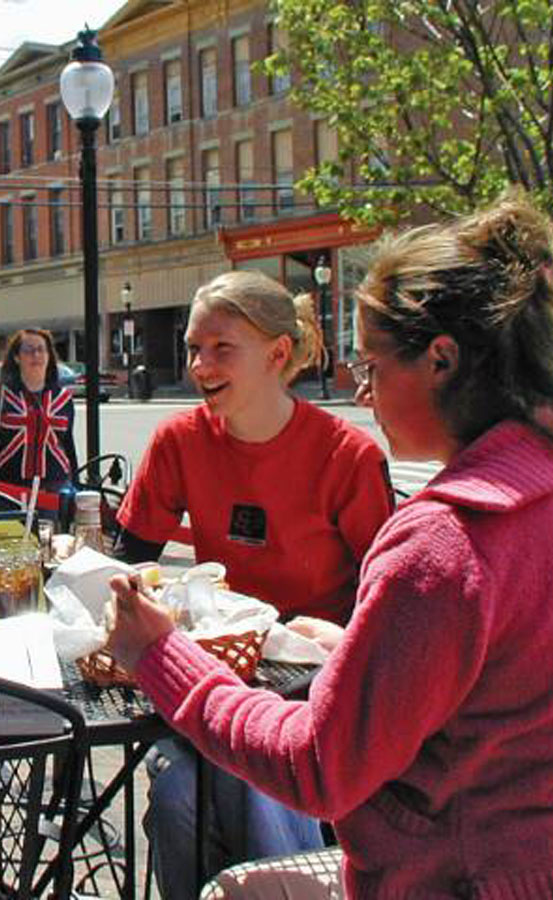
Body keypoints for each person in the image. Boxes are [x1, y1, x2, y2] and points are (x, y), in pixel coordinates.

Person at [107, 192, 553, 898]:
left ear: (442, 359)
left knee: (229, 879)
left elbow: (314, 767)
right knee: (190, 796)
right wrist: (355, 649)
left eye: (373, 366)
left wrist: (160, 655)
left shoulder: (447, 541)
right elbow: (503, 682)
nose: (365, 394)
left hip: (445, 878)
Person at [115, 270, 395, 900]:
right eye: (193, 348)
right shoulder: (179, 440)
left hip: (315, 695)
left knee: (248, 783)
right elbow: (129, 561)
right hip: (216, 673)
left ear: (278, 354)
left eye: (221, 348)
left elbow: (384, 606)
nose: (199, 365)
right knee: (177, 791)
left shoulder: (345, 455)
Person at [0, 328, 79, 505]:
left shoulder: (63, 399)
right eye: (28, 350)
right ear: (16, 358)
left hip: (53, 491)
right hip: (9, 491)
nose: (36, 355)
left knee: (51, 533)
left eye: (41, 349)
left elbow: (68, 446)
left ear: (49, 356)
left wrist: (76, 486)